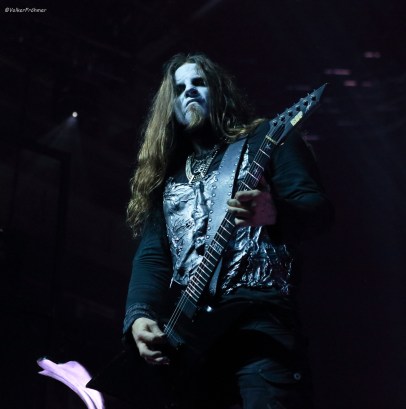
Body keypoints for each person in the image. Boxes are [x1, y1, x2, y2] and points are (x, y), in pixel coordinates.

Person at [123, 53, 334, 409]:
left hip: (259, 326)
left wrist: (274, 212)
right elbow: (152, 257)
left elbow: (319, 211)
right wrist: (139, 316)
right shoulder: (168, 179)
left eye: (199, 82)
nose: (189, 91)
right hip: (193, 343)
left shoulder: (267, 139)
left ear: (220, 91)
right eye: (179, 89)